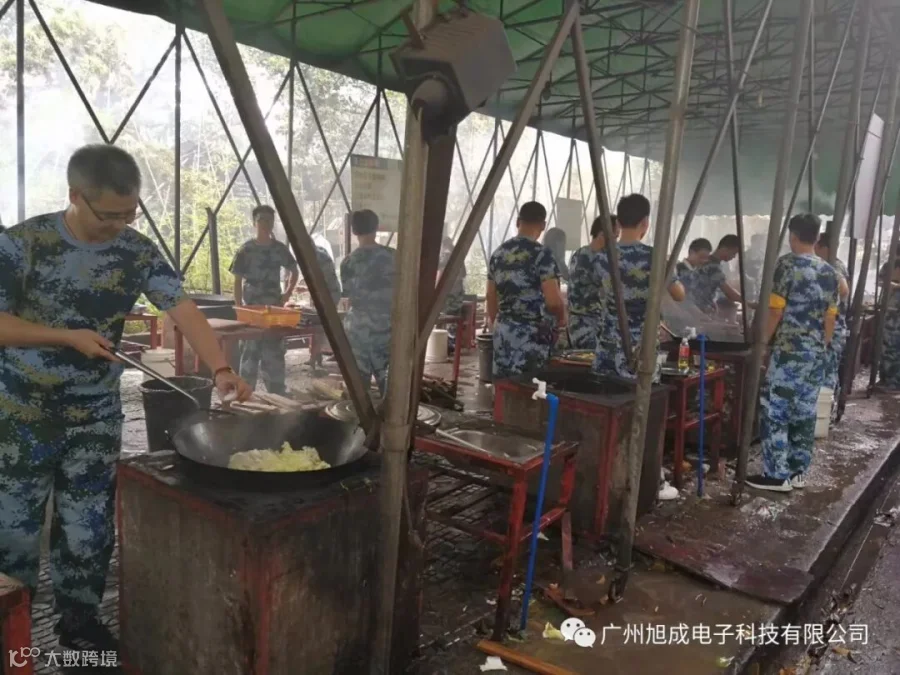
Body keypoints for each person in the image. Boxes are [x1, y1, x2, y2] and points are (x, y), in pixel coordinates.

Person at [0, 144, 251, 651]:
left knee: (88, 525)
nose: (119, 225)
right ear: (75, 196)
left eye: (129, 214)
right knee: (14, 528)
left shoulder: (135, 252)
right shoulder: (23, 244)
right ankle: (11, 632)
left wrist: (221, 367)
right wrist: (66, 336)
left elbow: (182, 308)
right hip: (22, 414)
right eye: (109, 215)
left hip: (95, 415)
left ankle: (79, 624)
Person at [747, 214, 839, 493]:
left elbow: (775, 310)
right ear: (817, 237)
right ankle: (798, 471)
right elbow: (830, 316)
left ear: (793, 236)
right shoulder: (829, 271)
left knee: (774, 410)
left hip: (789, 352)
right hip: (816, 352)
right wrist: (821, 345)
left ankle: (776, 476)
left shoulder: (786, 265)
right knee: (804, 411)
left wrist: (762, 343)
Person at [592, 193, 685, 380]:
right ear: (645, 222)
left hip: (608, 346)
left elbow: (600, 289)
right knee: (640, 395)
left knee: (606, 393)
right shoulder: (655, 257)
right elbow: (679, 295)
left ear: (618, 223)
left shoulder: (601, 257)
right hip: (641, 350)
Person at [486, 201, 565, 379]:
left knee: (503, 387)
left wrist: (500, 324)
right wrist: (562, 318)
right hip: (531, 337)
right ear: (543, 225)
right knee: (530, 388)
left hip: (503, 333)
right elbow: (553, 301)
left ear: (517, 222)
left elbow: (490, 296)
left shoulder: (498, 254)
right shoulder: (542, 254)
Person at [230, 205, 299, 395]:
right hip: (251, 311)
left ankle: (277, 393)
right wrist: (238, 306)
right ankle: (245, 393)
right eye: (262, 219)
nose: (266, 224)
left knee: (274, 351)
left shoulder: (279, 249)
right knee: (249, 352)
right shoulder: (246, 250)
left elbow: (294, 270)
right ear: (254, 222)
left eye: (270, 220)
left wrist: (287, 294)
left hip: (273, 311)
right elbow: (237, 280)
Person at [340, 209, 395, 396]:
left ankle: (358, 413)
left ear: (354, 231)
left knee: (358, 384)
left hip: (358, 330)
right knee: (389, 382)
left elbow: (348, 296)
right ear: (377, 227)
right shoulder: (395, 257)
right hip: (388, 328)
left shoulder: (348, 262)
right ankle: (391, 413)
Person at [567, 214, 619, 350]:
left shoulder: (580, 253)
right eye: (615, 237)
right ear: (602, 235)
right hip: (587, 326)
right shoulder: (594, 259)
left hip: (582, 323)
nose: (616, 243)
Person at [814, 228, 850, 395]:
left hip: (832, 327)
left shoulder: (832, 265)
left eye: (816, 247)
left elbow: (843, 289)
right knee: (826, 370)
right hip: (830, 326)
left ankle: (827, 406)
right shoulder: (831, 264)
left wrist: (825, 303)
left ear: (823, 247)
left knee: (827, 371)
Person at [689, 234, 745, 315]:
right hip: (700, 310)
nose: (734, 257)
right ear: (724, 249)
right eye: (733, 253)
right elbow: (730, 294)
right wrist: (749, 303)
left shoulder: (712, 263)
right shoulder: (713, 267)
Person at [438, 235, 467, 353]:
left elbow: (439, 272)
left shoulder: (445, 256)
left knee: (445, 318)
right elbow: (464, 274)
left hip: (448, 293)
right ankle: (453, 344)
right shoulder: (458, 256)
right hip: (458, 292)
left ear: (443, 245)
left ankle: (445, 345)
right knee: (454, 319)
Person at [880, 257, 900, 388]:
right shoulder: (895, 289)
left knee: (894, 354)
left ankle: (894, 383)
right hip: (890, 325)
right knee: (887, 352)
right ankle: (886, 379)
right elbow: (880, 280)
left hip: (895, 327)